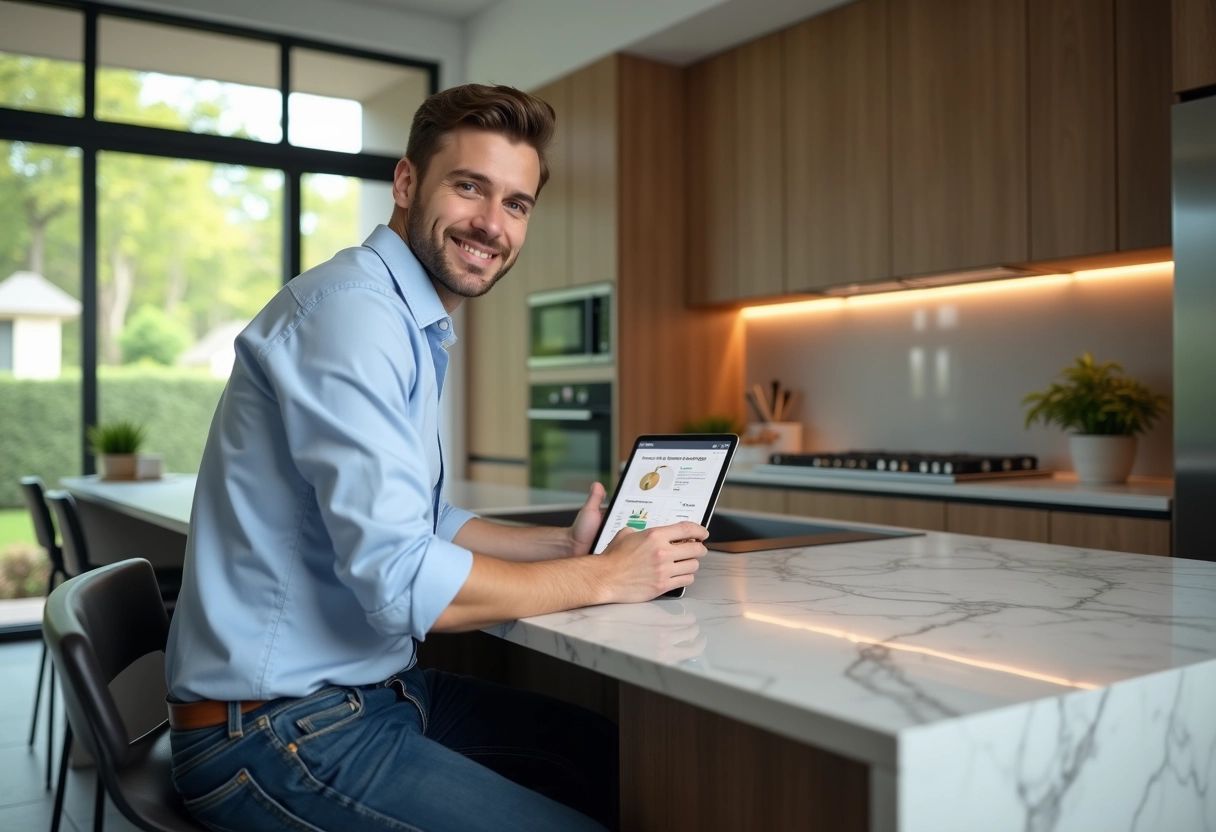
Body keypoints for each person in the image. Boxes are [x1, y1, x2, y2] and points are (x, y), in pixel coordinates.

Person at [163, 83, 709, 832]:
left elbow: (424, 519)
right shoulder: (355, 318)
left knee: (618, 760)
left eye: (516, 204)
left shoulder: (400, 316)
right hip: (273, 734)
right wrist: (604, 576)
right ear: (407, 182)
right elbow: (400, 581)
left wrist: (562, 545)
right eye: (469, 187)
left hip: (371, 697)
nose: (492, 223)